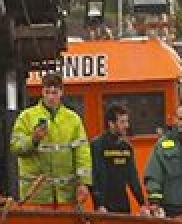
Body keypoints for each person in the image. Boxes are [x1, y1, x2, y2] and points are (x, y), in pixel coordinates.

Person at [10, 73, 91, 208]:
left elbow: (82, 154)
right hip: (35, 196)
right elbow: (15, 147)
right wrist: (34, 139)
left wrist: (83, 183)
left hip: (66, 196)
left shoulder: (73, 119)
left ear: (61, 93)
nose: (51, 97)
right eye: (47, 92)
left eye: (54, 92)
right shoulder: (26, 117)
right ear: (42, 92)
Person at [89, 103, 147, 213]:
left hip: (123, 203)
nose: (127, 125)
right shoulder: (97, 145)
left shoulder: (126, 147)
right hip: (104, 206)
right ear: (111, 124)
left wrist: (142, 204)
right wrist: (99, 204)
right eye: (122, 122)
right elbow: (95, 177)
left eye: (127, 121)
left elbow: (133, 177)